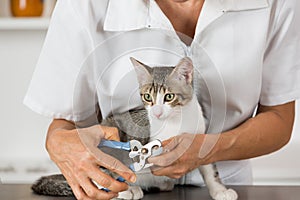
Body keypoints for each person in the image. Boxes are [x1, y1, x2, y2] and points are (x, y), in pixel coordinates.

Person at [24, 0, 300, 199]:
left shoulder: (280, 4)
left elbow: (280, 119)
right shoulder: (83, 5)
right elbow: (62, 128)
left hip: (225, 185)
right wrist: (60, 145)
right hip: (127, 186)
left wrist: (209, 148)